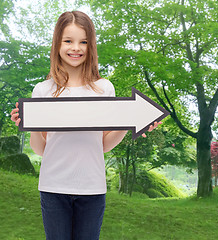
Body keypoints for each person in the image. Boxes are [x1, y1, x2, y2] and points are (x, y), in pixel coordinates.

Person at [10, 11, 161, 240]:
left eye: (83, 42)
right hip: (53, 187)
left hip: (92, 188)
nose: (76, 48)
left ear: (91, 46)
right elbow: (41, 150)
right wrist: (29, 124)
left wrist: (129, 124)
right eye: (68, 41)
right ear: (57, 44)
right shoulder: (43, 91)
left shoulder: (104, 89)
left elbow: (103, 145)